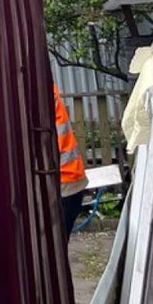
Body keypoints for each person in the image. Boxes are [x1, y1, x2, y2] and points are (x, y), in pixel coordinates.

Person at [54, 84, 88, 235]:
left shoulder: (35, 87)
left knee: (53, 249)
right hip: (70, 180)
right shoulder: (41, 82)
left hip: (62, 183)